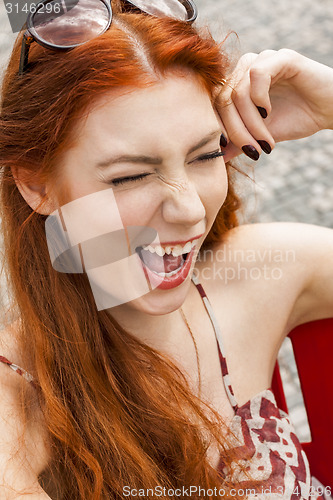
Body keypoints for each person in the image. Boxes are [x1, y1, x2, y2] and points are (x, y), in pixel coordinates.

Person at [0, 0, 332, 498]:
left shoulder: (264, 272)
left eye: (204, 155)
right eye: (130, 174)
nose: (190, 211)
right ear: (35, 184)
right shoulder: (17, 388)